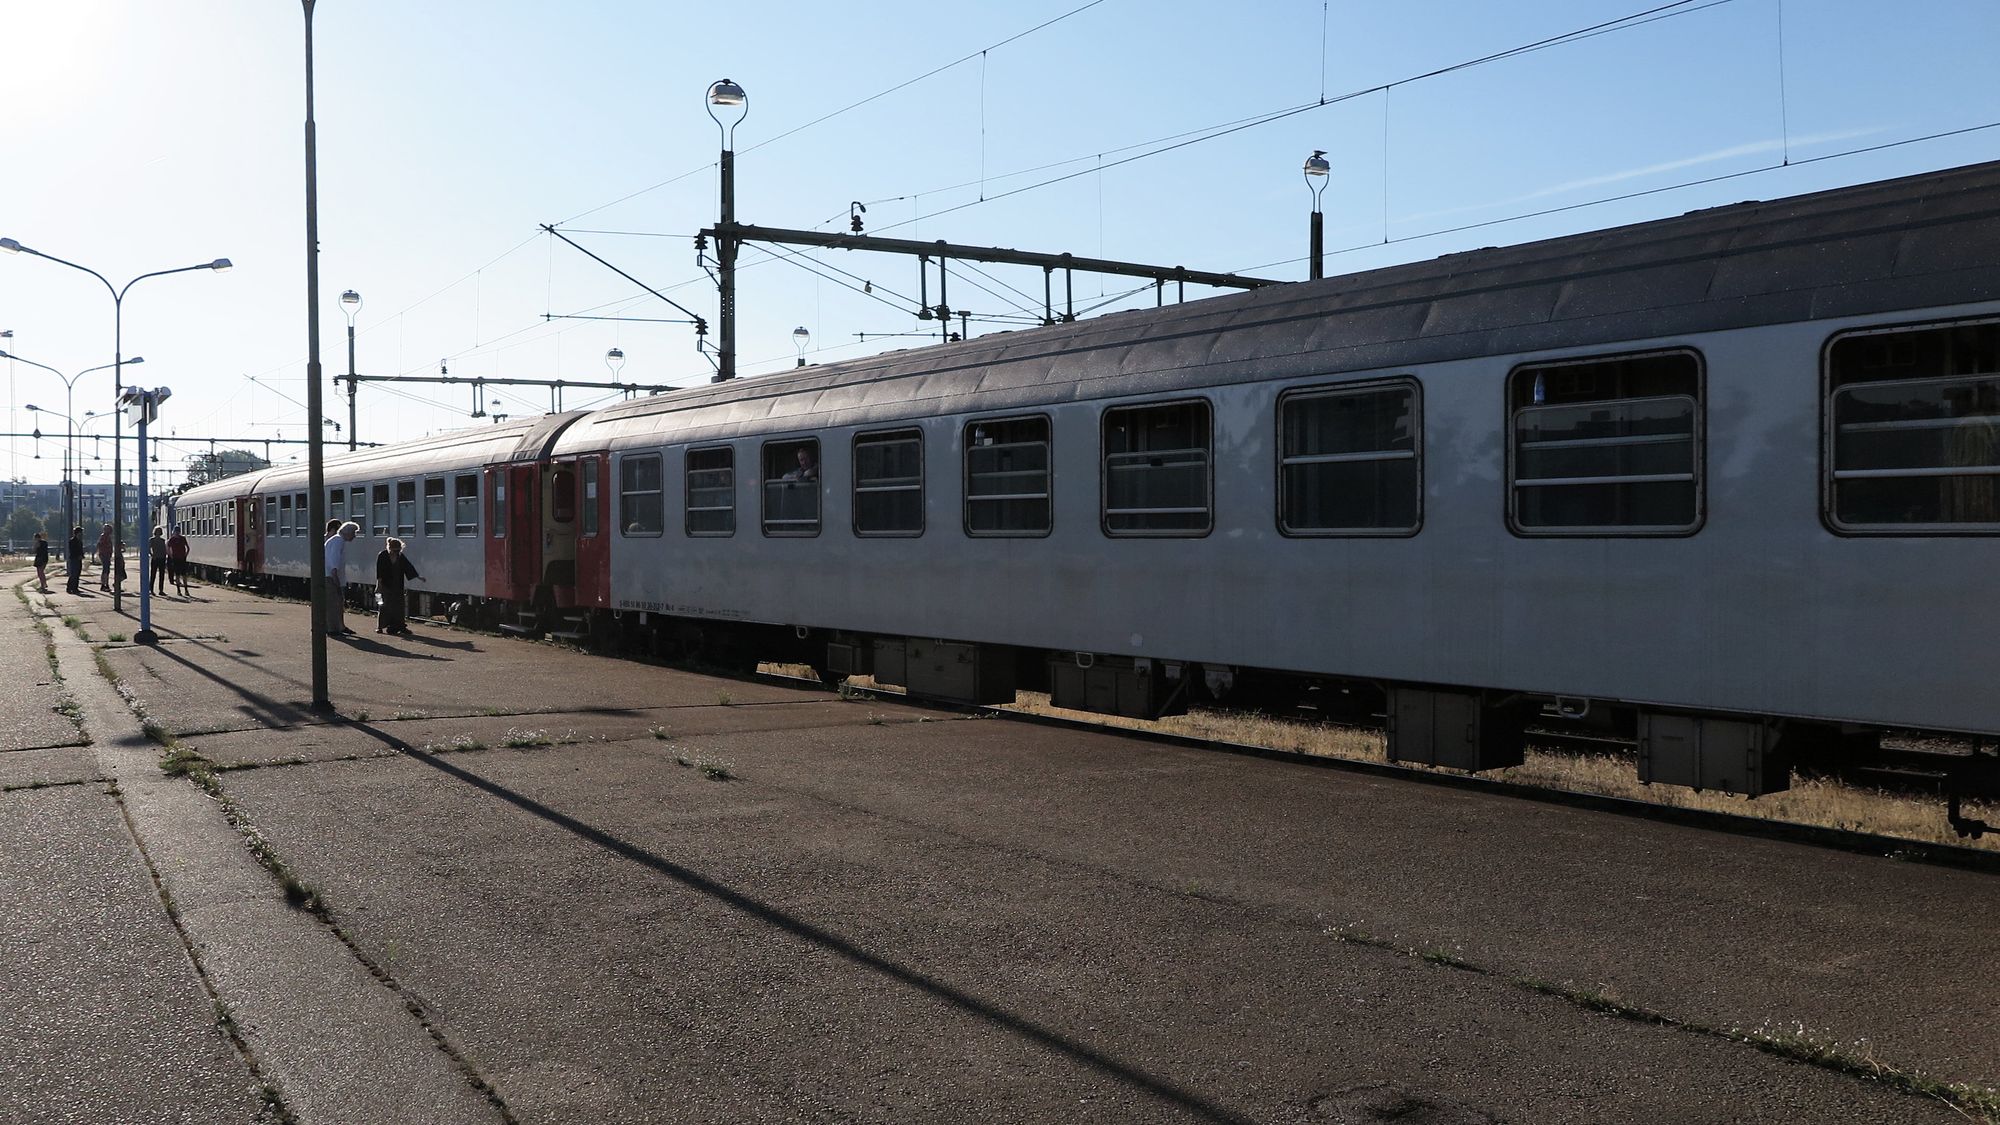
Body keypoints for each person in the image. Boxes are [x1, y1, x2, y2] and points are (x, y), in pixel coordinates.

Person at [375, 537, 422, 635]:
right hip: (385, 585)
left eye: (398, 550)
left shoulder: (400, 556)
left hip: (397, 585)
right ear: (389, 548)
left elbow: (408, 567)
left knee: (399, 606)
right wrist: (378, 586)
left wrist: (418, 577)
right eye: (394, 550)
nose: (396, 552)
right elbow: (379, 573)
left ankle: (400, 626)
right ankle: (380, 627)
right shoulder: (382, 555)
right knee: (383, 606)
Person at [323, 521, 359, 636]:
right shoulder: (338, 542)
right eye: (354, 533)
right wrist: (336, 579)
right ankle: (332, 628)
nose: (355, 535)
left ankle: (340, 626)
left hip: (332, 577)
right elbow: (334, 562)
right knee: (333, 603)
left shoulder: (337, 540)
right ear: (348, 533)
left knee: (338, 603)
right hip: (331, 577)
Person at [167, 525, 190, 596]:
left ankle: (185, 590)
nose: (177, 533)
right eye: (176, 531)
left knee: (183, 575)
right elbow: (167, 547)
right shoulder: (172, 539)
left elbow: (188, 548)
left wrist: (185, 554)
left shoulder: (181, 538)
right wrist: (171, 555)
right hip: (177, 558)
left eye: (177, 531)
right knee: (178, 575)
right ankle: (179, 590)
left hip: (181, 558)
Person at [149, 526, 168, 596]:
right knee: (153, 574)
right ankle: (151, 589)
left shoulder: (162, 540)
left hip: (162, 558)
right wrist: (151, 554)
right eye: (157, 532)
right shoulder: (152, 540)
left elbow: (164, 549)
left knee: (162, 575)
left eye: (159, 532)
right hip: (155, 558)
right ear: (155, 532)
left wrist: (165, 556)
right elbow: (148, 548)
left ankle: (161, 590)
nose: (158, 533)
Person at [65, 526, 83, 595]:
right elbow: (72, 550)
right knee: (73, 574)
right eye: (80, 532)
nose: (81, 534)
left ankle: (75, 588)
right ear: (77, 533)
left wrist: (81, 555)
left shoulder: (79, 541)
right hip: (74, 559)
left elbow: (80, 550)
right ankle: (69, 587)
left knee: (77, 574)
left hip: (78, 559)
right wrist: (78, 555)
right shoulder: (72, 541)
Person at [96, 524, 112, 590]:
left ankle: (106, 584)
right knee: (105, 570)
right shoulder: (104, 536)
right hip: (104, 554)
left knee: (107, 570)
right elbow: (99, 545)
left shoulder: (108, 536)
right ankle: (104, 584)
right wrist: (102, 552)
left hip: (107, 554)